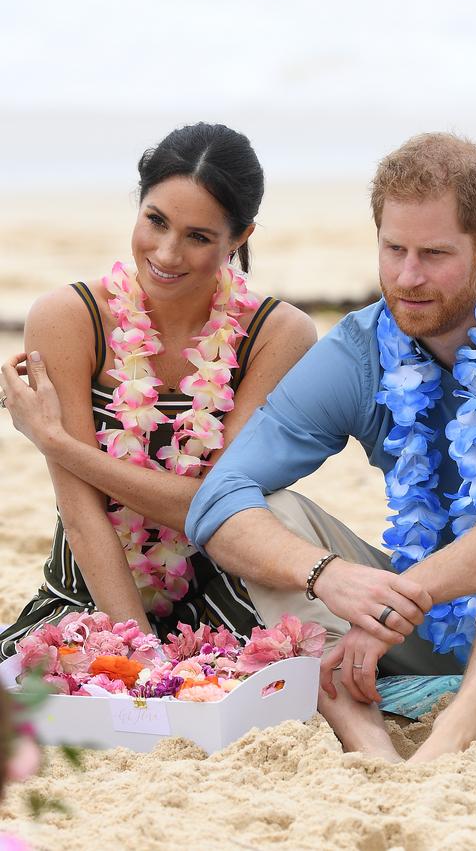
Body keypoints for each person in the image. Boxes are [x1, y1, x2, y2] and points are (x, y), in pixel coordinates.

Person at [180, 133, 476, 763]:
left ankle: (460, 726)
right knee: (271, 514)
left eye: (433, 254)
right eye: (393, 249)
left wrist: (404, 596)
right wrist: (331, 577)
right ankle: (367, 737)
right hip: (440, 625)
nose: (407, 277)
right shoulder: (361, 347)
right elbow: (218, 500)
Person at [0, 122, 316, 657]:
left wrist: (56, 443)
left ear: (240, 238)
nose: (167, 254)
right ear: (139, 205)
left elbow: (213, 505)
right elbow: (81, 511)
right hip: (89, 594)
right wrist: (142, 654)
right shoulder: (68, 318)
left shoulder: (278, 334)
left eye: (199, 236)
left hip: (229, 596)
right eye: (156, 221)